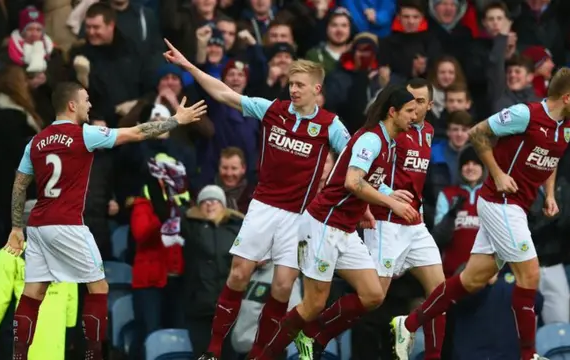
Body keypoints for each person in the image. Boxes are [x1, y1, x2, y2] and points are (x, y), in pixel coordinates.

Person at [162, 40, 353, 360]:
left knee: (281, 288)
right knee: (238, 274)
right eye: (291, 83)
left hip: (298, 216)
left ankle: (258, 355)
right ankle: (213, 350)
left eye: (300, 85)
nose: (293, 89)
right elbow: (224, 93)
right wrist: (189, 66)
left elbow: (354, 163)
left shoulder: (330, 125)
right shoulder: (272, 109)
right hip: (264, 205)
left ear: (316, 88)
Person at [392, 67, 570, 360]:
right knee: (530, 274)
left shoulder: (568, 123)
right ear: (567, 96)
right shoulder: (526, 114)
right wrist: (496, 174)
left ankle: (407, 323)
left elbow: (552, 156)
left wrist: (548, 194)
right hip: (500, 202)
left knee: (471, 280)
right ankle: (529, 355)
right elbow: (477, 132)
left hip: (518, 206)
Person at [3, 81, 207, 360]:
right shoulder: (84, 134)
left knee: (34, 291)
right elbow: (137, 132)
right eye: (86, 100)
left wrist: (16, 227)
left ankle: (18, 355)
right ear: (72, 105)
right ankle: (93, 355)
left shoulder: (36, 141)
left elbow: (19, 184)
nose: (89, 105)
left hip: (38, 225)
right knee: (99, 288)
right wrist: (175, 120)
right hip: (68, 224)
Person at [255, 84, 420, 360]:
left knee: (373, 295)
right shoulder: (371, 139)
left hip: (345, 227)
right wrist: (390, 202)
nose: (415, 117)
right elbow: (352, 181)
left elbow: (363, 183)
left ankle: (312, 336)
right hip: (323, 224)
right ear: (392, 112)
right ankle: (263, 356)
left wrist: (367, 207)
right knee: (312, 305)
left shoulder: (391, 143)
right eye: (410, 111)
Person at [367, 78, 446, 360]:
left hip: (415, 225)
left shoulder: (429, 131)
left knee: (441, 293)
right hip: (385, 222)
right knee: (373, 299)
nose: (413, 106)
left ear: (431, 106)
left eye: (421, 101)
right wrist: (389, 195)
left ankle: (433, 356)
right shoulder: (389, 131)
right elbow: (367, 174)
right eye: (409, 99)